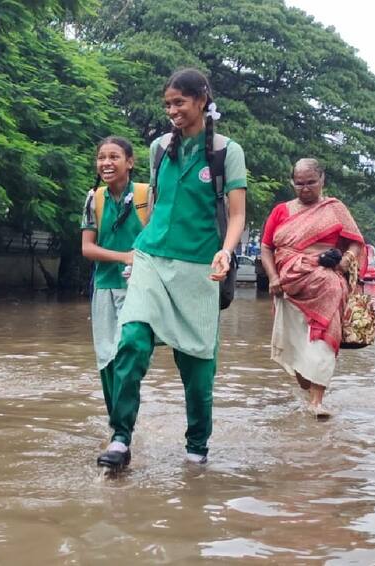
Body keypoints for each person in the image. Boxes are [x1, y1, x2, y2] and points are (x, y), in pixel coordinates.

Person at [96, 68, 247, 470]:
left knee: (197, 368)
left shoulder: (226, 152)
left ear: (201, 100)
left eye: (179, 102)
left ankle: (197, 448)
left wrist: (226, 252)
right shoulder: (159, 147)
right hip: (151, 257)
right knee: (131, 341)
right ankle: (121, 438)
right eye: (167, 104)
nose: (172, 111)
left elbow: (236, 215)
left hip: (200, 266)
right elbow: (161, 203)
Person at [260, 158, 364, 418]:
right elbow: (266, 248)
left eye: (311, 183)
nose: (305, 188)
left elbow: (355, 243)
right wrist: (273, 277)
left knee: (324, 342)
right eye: (299, 183)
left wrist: (344, 261)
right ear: (292, 183)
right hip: (288, 286)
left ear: (322, 180)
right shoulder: (281, 211)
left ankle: (316, 402)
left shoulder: (335, 209)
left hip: (327, 284)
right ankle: (307, 385)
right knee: (295, 346)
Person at [81, 136, 151, 424]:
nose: (106, 163)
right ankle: (117, 423)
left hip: (140, 289)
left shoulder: (148, 196)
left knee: (128, 354)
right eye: (101, 157)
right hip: (105, 286)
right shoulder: (94, 198)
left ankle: (123, 427)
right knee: (106, 358)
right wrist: (125, 257)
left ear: (130, 162)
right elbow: (87, 247)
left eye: (114, 157)